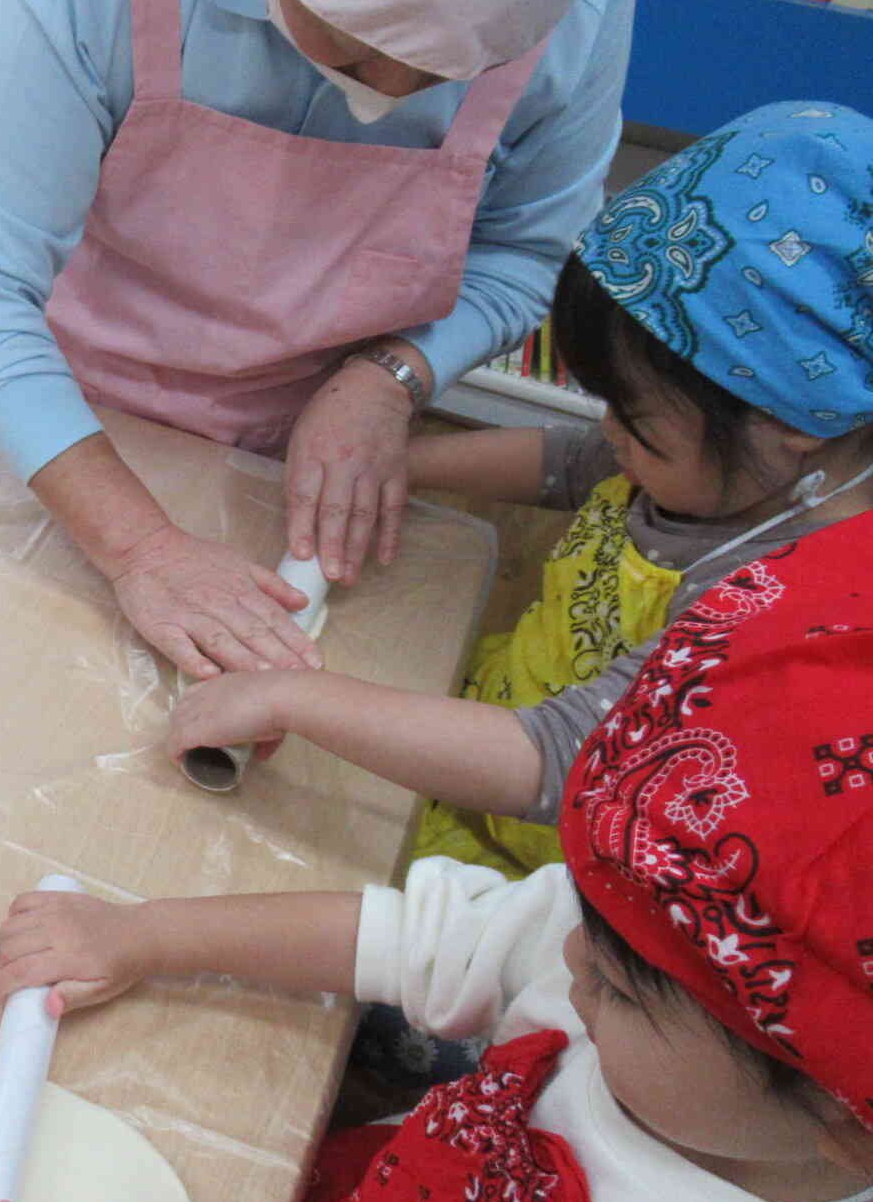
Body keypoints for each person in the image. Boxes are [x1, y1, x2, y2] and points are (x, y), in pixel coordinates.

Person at [0, 520, 873, 1202]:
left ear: (840, 1125)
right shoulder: (659, 964)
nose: (567, 961)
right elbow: (420, 939)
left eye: (613, 989)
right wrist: (144, 934)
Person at [0, 0, 688, 681]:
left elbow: (524, 255)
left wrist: (389, 379)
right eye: (354, 48)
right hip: (55, 413)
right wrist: (139, 546)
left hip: (312, 456)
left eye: (445, 73)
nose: (387, 94)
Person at [164, 103, 873, 885]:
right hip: (485, 719)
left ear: (787, 419)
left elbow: (556, 755)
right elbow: (570, 461)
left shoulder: (769, 610)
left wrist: (295, 701)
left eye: (634, 423)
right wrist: (392, 465)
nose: (612, 436)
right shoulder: (720, 462)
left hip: (526, 858)